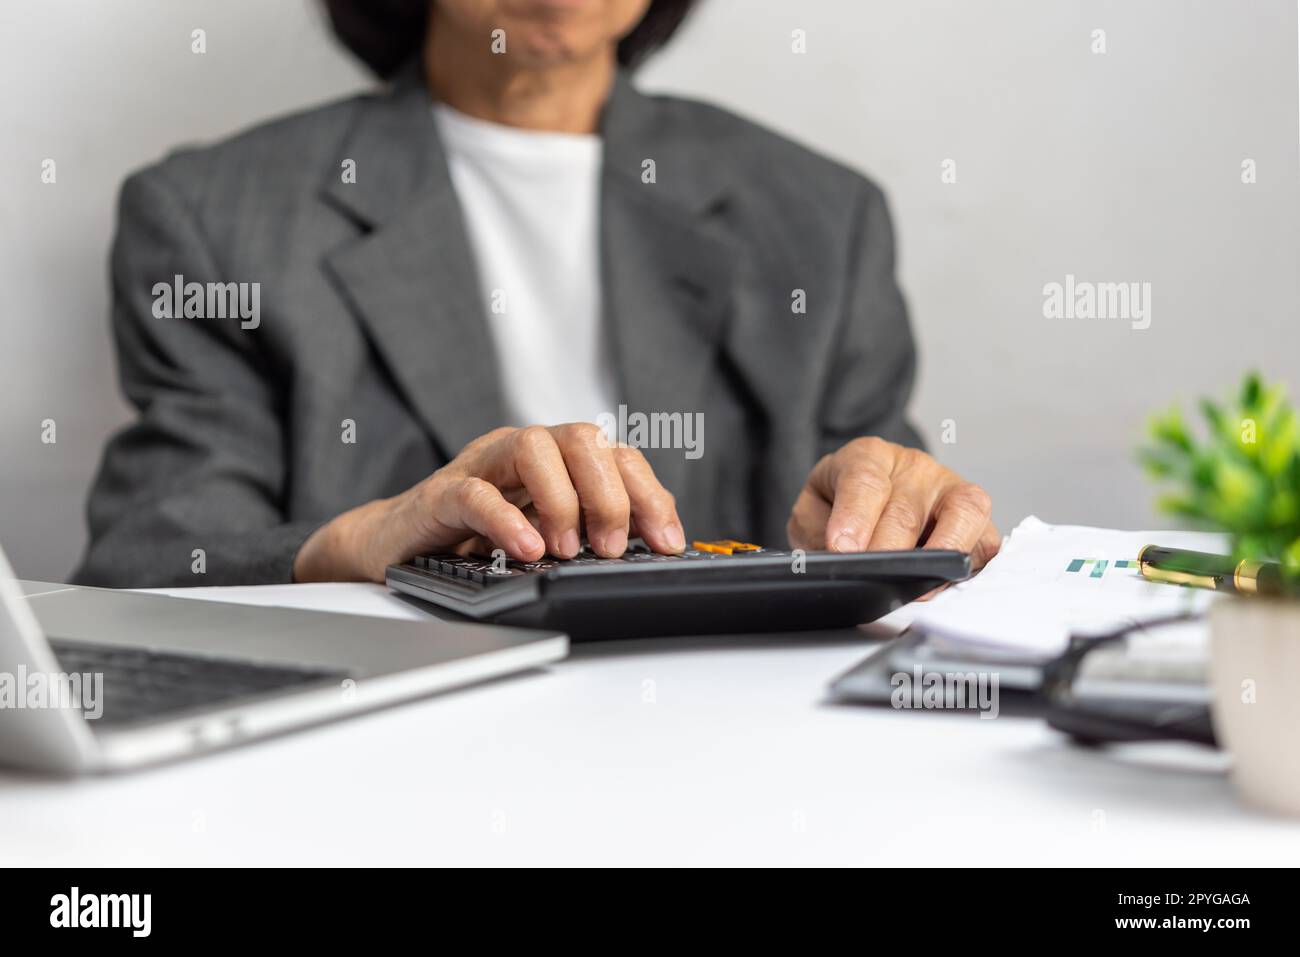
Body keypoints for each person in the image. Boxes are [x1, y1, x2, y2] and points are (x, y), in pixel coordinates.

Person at [74, 0, 1000, 588]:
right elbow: (154, 554)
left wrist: (898, 512)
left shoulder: (818, 215)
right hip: (387, 757)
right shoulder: (212, 216)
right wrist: (370, 537)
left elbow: (895, 541)